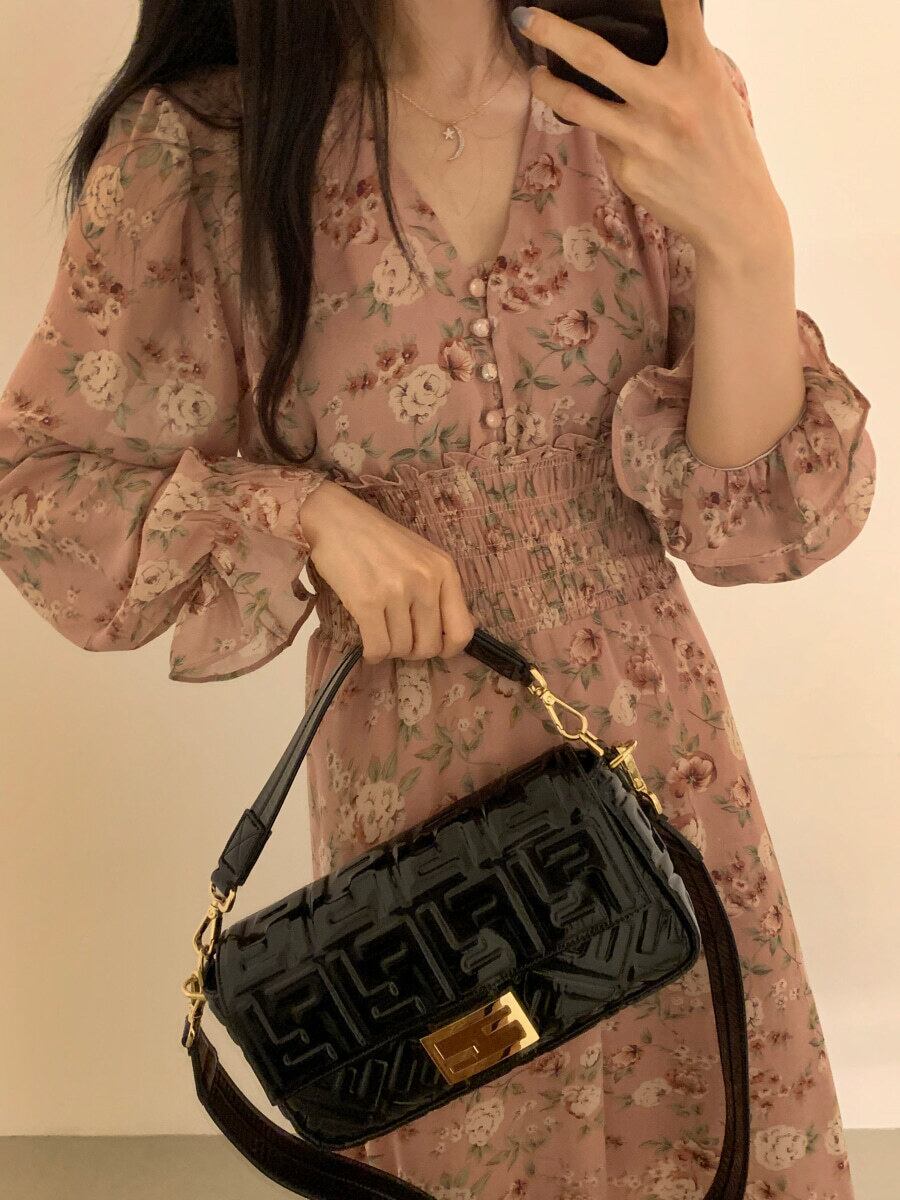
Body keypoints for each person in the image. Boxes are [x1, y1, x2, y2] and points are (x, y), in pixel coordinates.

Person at [0, 1, 875, 1197]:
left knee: (705, 1133)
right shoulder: (204, 146)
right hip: (419, 806)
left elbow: (758, 515)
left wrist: (751, 247)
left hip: (663, 765)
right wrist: (304, 511)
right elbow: (38, 487)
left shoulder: (649, 98)